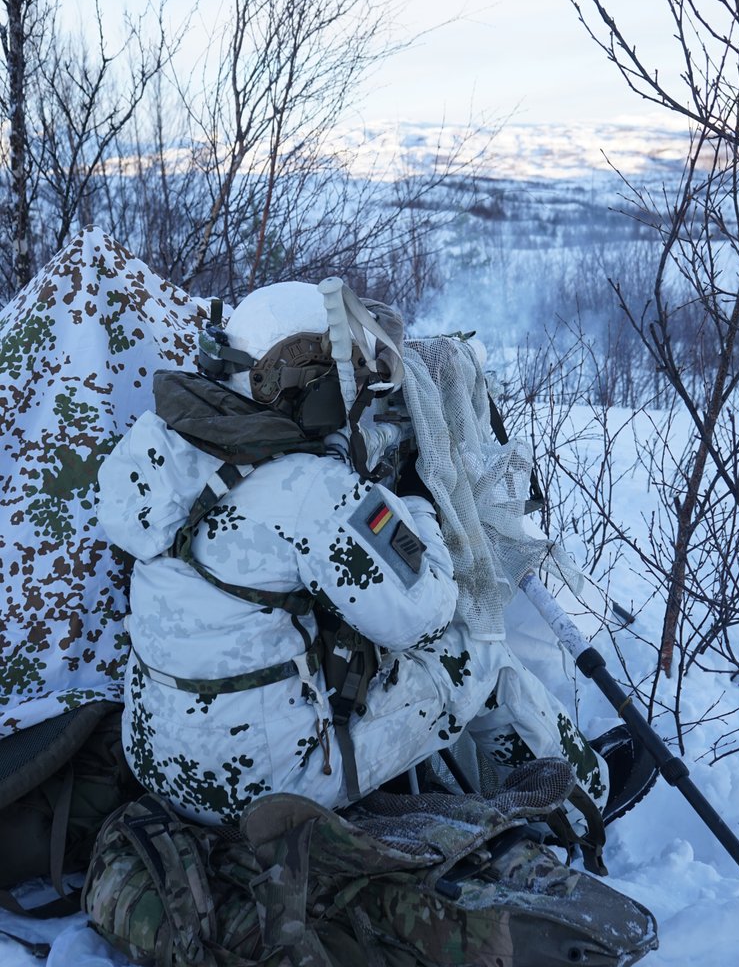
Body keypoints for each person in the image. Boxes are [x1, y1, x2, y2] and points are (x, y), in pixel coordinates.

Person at [96, 281, 614, 829]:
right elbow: (426, 611)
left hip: (157, 756)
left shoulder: (155, 446)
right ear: (309, 383)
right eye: (345, 377)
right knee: (476, 651)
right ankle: (586, 800)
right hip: (261, 791)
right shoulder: (311, 490)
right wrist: (416, 499)